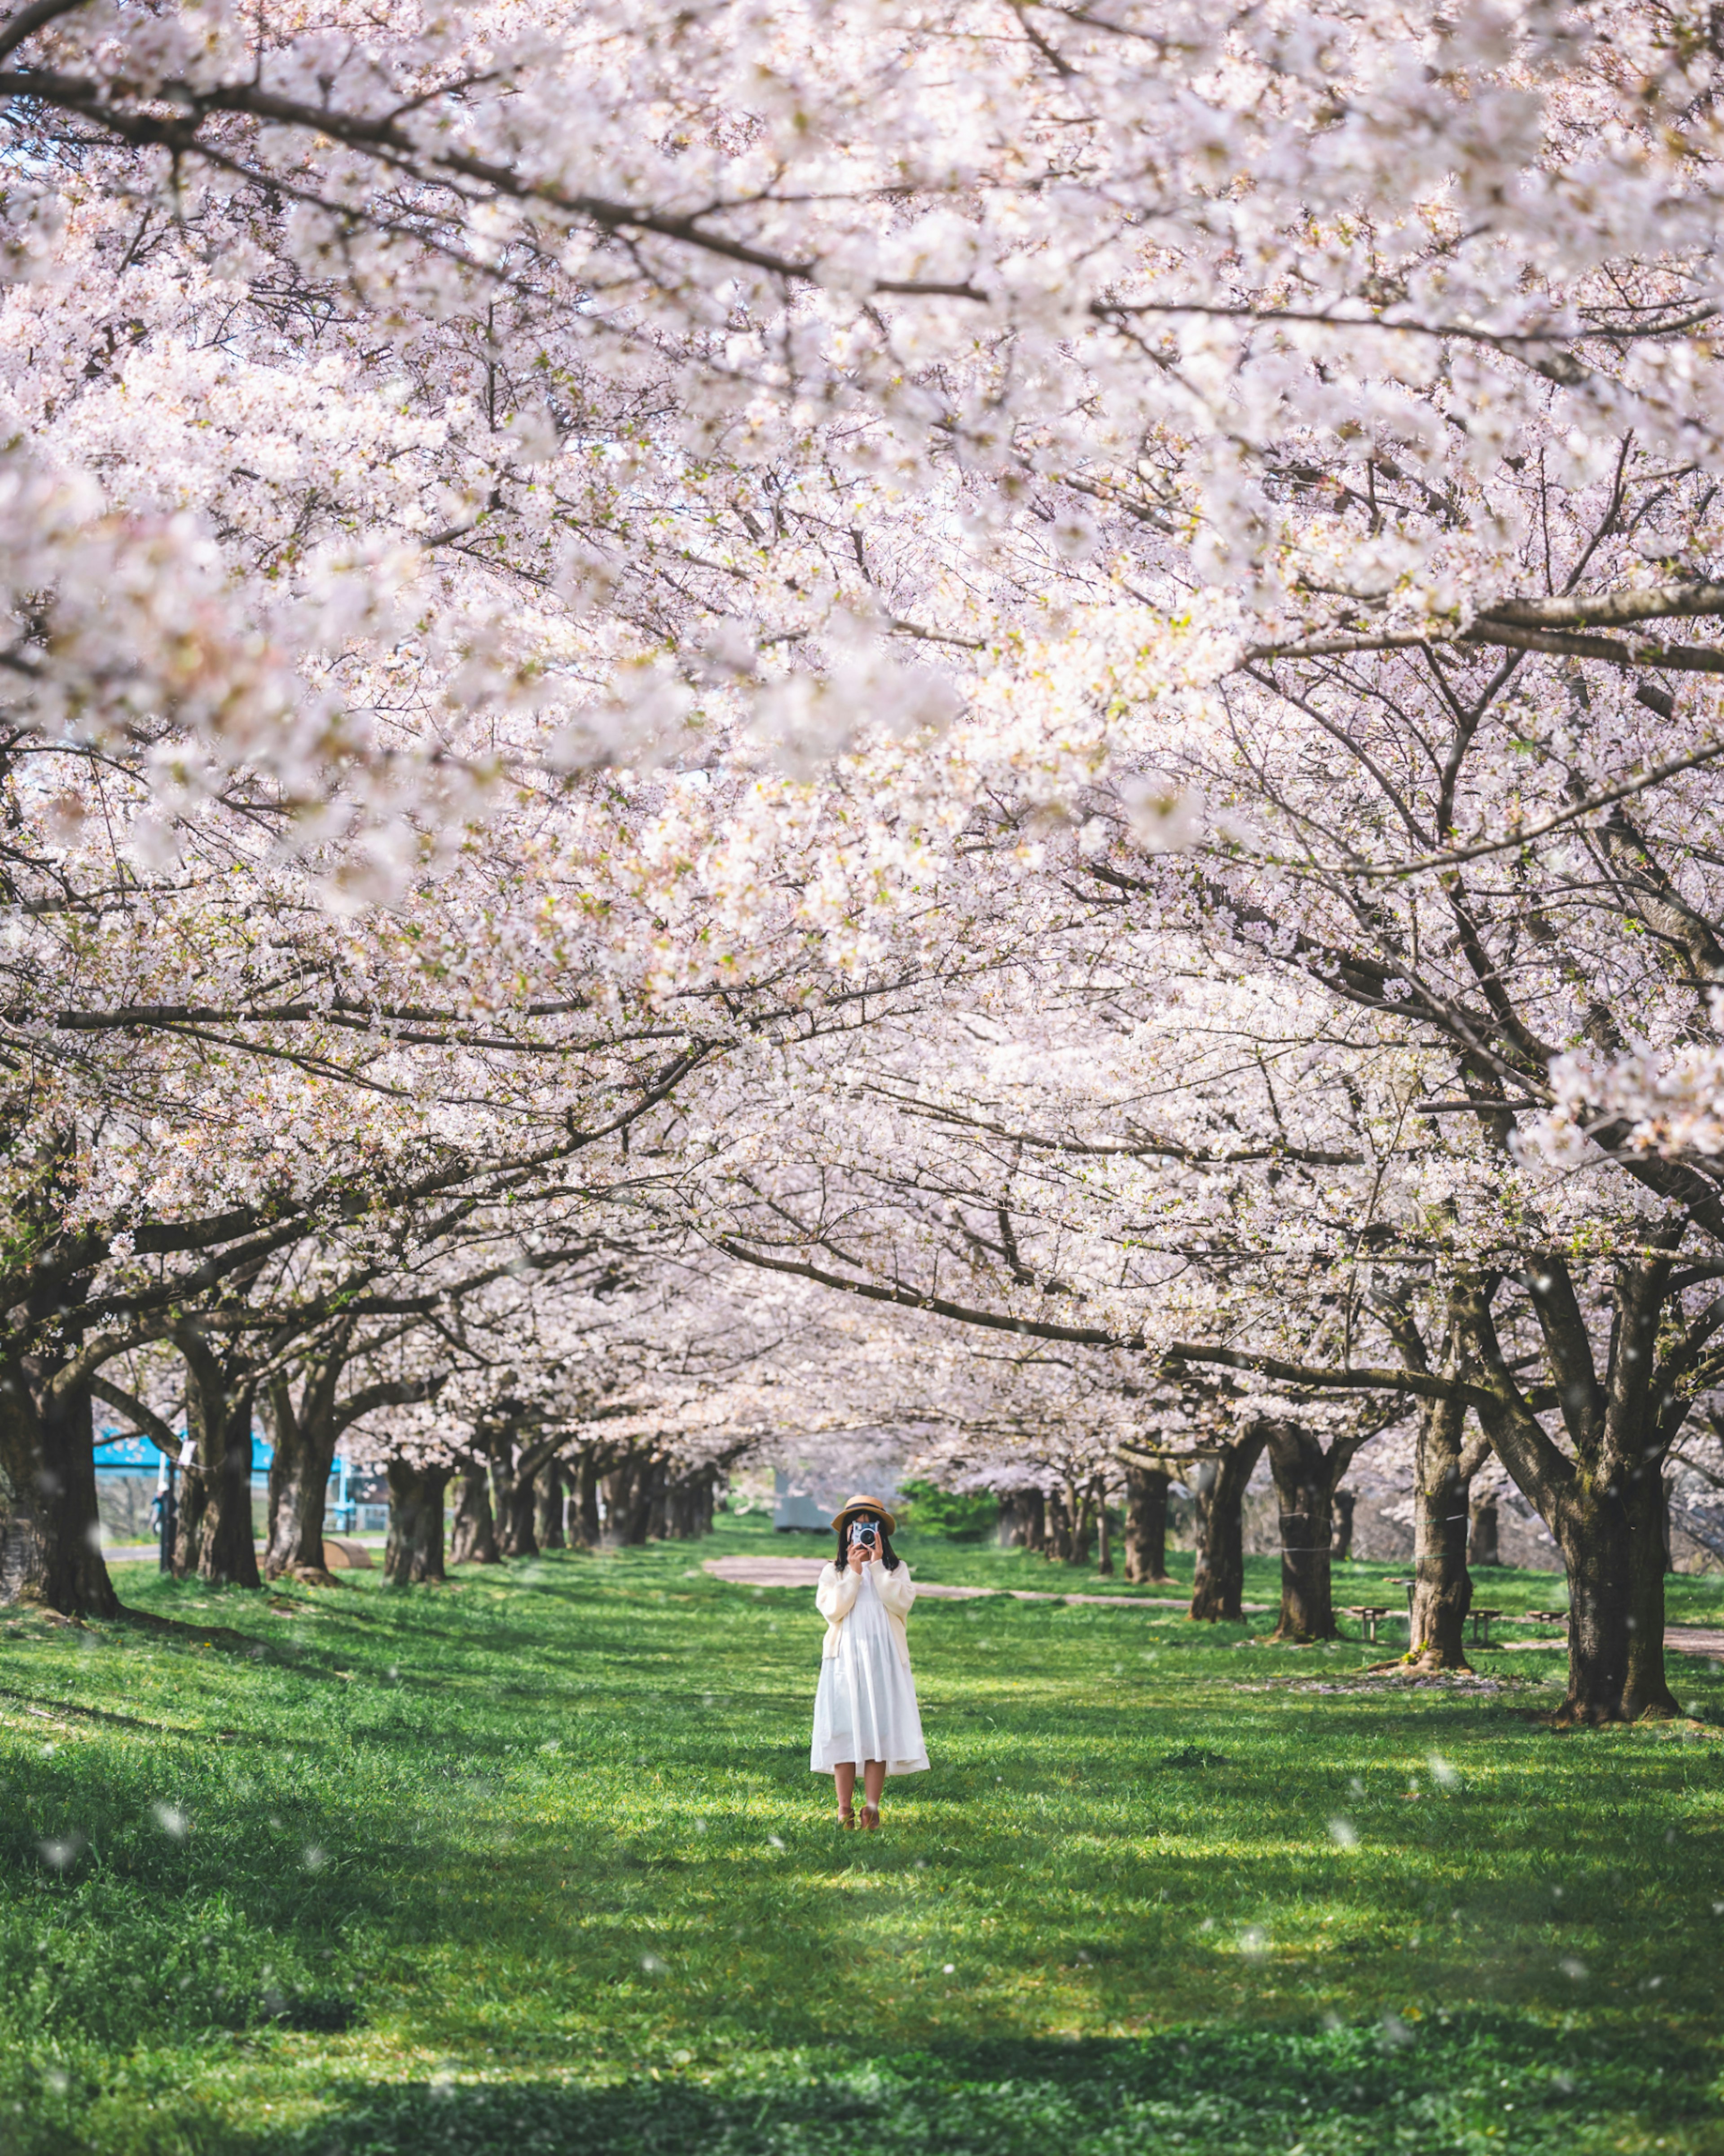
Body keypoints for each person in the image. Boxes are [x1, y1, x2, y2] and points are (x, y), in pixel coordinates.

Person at [811, 1495, 928, 1829]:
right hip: (845, 1659)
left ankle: (872, 1809)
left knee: (880, 1732)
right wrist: (854, 1572)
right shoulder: (834, 1571)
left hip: (884, 1659)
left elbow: (900, 1603)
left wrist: (877, 1566)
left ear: (881, 1531)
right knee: (845, 1730)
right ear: (847, 1532)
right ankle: (843, 1809)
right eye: (856, 1524)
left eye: (869, 1524)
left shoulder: (895, 1569)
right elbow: (834, 1609)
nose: (862, 1531)